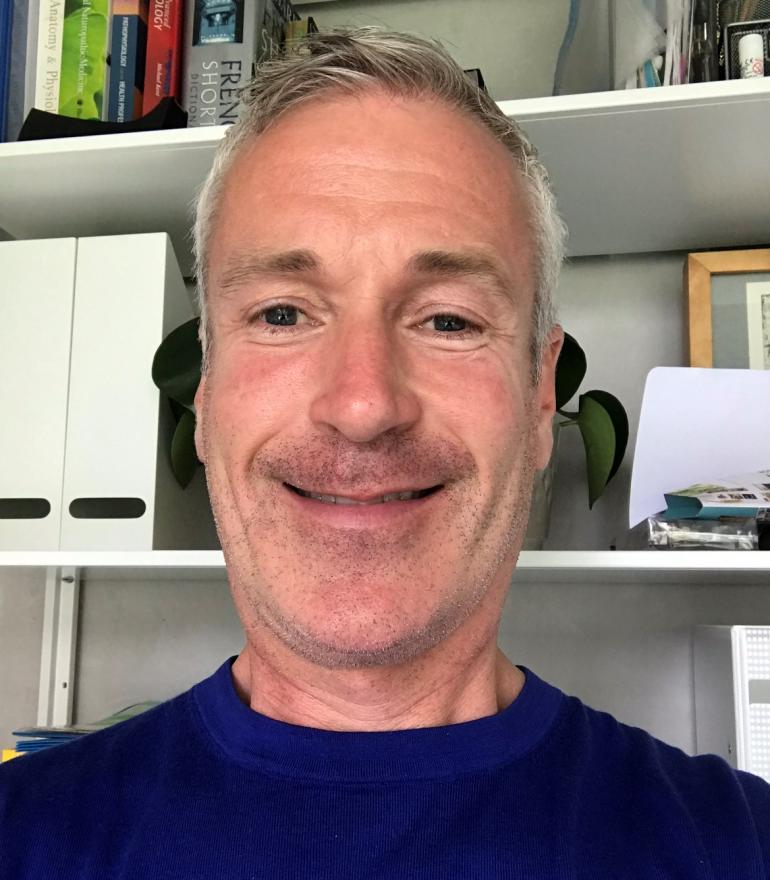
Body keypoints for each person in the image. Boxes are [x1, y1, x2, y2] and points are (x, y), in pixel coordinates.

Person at [1, 28, 768, 879]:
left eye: (448, 320)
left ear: (540, 390)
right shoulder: (22, 835)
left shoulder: (738, 843)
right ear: (208, 386)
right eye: (284, 314)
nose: (363, 406)